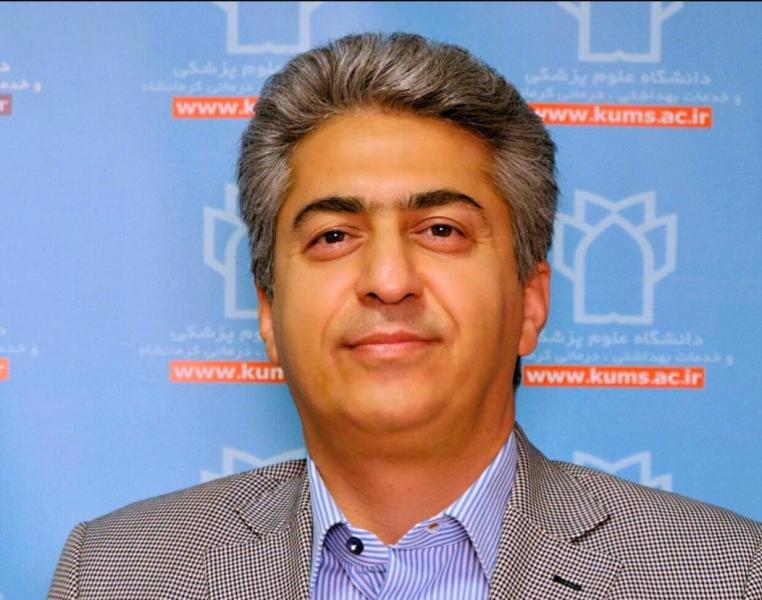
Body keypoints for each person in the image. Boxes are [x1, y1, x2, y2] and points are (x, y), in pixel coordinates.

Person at [49, 32, 761, 600]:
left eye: (441, 230)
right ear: (268, 312)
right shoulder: (114, 574)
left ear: (530, 301)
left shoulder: (727, 576)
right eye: (334, 236)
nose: (388, 281)